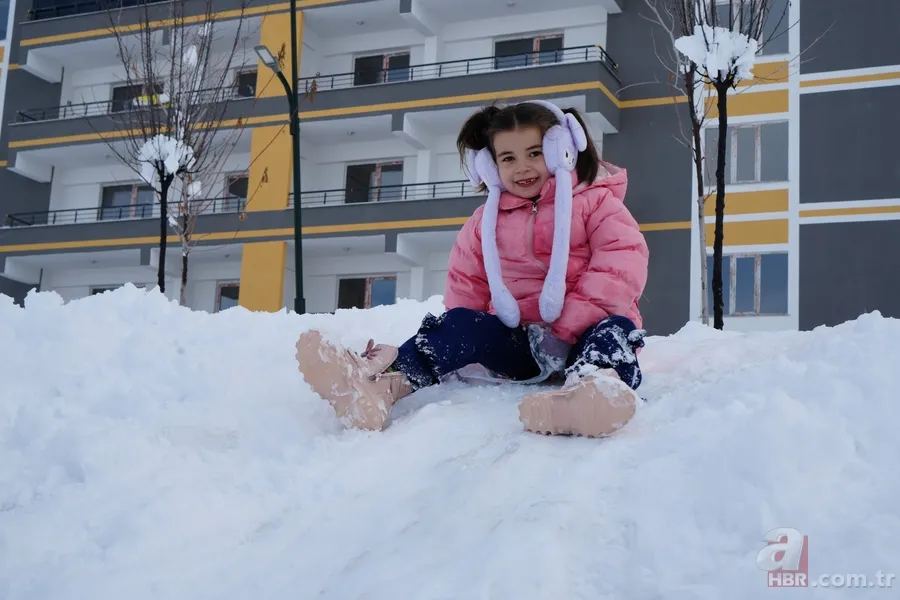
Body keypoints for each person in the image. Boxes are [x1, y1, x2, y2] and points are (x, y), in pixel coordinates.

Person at [296, 99, 650, 437]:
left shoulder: (597, 202)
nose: (522, 167)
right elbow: (466, 284)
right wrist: (464, 337)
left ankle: (591, 392)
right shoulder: (485, 222)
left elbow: (620, 265)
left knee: (614, 331)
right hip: (520, 344)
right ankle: (383, 386)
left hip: (583, 333)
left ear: (564, 151)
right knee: (458, 324)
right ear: (490, 166)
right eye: (508, 158)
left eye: (535, 153)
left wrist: (571, 323)